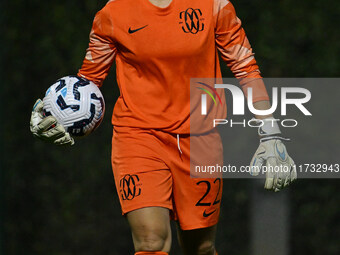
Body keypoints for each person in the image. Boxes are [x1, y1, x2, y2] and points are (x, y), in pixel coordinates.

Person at [30, 0, 297, 254]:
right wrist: (51, 112)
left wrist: (270, 132)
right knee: (151, 240)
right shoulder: (113, 13)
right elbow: (88, 81)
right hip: (138, 135)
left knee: (200, 248)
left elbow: (245, 66)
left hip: (200, 139)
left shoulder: (215, 5)